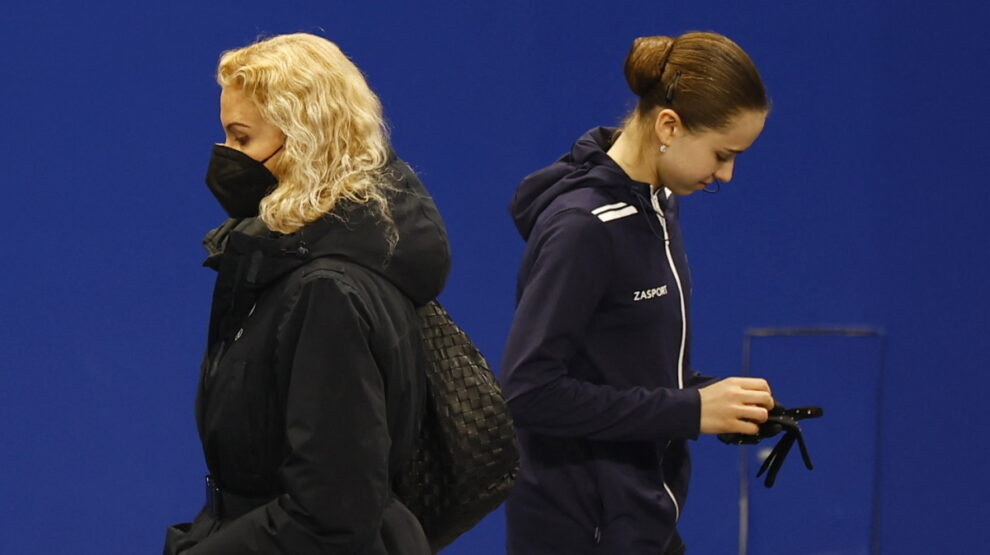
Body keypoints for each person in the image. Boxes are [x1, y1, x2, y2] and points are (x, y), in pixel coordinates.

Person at [163, 33, 450, 554]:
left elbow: (330, 515)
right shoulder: (290, 267)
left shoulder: (327, 293)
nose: (226, 157)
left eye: (242, 138)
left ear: (306, 142)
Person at [500, 32, 775, 554]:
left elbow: (622, 370)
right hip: (581, 530)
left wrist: (721, 401)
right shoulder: (584, 229)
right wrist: (690, 410)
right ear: (669, 126)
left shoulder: (658, 203)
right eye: (722, 154)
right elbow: (527, 391)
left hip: (642, 519)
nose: (726, 173)